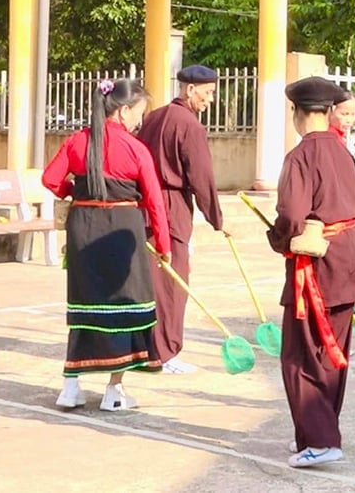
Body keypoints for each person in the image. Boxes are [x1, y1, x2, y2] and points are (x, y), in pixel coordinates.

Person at [42, 79, 171, 411]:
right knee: (125, 308)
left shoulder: (77, 141)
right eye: (138, 114)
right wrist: (164, 242)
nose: (139, 122)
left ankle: (70, 388)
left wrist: (75, 193)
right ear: (124, 110)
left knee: (85, 307)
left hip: (83, 230)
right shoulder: (135, 148)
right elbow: (155, 200)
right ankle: (114, 391)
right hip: (122, 231)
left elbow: (50, 179)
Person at [268, 76, 355, 468]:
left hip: (317, 262)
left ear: (296, 113)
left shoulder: (300, 156)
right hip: (349, 257)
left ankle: (323, 440)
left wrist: (278, 239)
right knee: (333, 352)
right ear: (328, 112)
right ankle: (314, 433)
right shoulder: (344, 152)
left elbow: (292, 215)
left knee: (301, 354)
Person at [137, 64, 228, 374]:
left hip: (145, 204)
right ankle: (166, 351)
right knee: (173, 281)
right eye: (208, 93)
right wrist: (217, 218)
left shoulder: (152, 117)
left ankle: (148, 349)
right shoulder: (189, 125)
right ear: (190, 90)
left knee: (151, 281)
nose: (210, 100)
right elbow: (201, 177)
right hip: (171, 206)